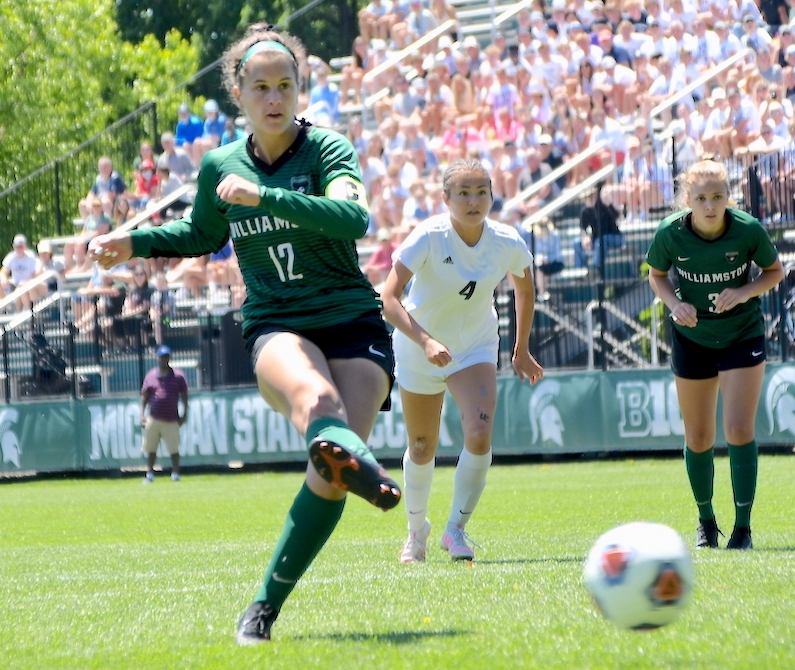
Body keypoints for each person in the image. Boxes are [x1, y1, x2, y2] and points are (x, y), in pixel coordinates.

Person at [88, 24, 402, 645]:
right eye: (260, 87)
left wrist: (265, 197)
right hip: (278, 321)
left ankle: (262, 606)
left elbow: (353, 217)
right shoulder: (220, 164)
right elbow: (202, 233)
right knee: (319, 404)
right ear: (238, 94)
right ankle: (357, 466)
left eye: (285, 84)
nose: (274, 97)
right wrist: (135, 241)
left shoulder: (328, 149)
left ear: (300, 89)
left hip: (352, 319)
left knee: (329, 473)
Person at [380, 158, 544, 564]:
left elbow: (525, 289)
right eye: (464, 193)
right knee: (422, 446)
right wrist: (425, 341)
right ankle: (416, 533)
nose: (474, 201)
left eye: (481, 192)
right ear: (445, 198)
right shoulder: (429, 236)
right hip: (418, 346)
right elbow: (387, 299)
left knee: (479, 433)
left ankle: (455, 529)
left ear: (492, 195)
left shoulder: (507, 241)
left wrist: (521, 348)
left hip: (474, 346)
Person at [645, 160, 784, 551]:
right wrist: (675, 303)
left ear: (728, 197)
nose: (710, 205)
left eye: (717, 197)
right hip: (693, 337)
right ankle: (706, 522)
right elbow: (657, 275)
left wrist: (743, 292)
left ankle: (743, 528)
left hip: (741, 333)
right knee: (699, 436)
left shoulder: (747, 229)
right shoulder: (670, 232)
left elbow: (774, 271)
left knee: (738, 429)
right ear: (687, 199)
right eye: (701, 198)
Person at [140, 345, 189, 483]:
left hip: (171, 419)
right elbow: (144, 397)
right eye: (162, 357)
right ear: (157, 358)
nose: (164, 360)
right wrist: (141, 414)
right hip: (154, 418)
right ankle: (150, 474)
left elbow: (184, 395)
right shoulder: (151, 376)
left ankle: (175, 474)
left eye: (166, 357)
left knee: (173, 449)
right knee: (151, 448)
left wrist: (184, 414)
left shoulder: (178, 376)